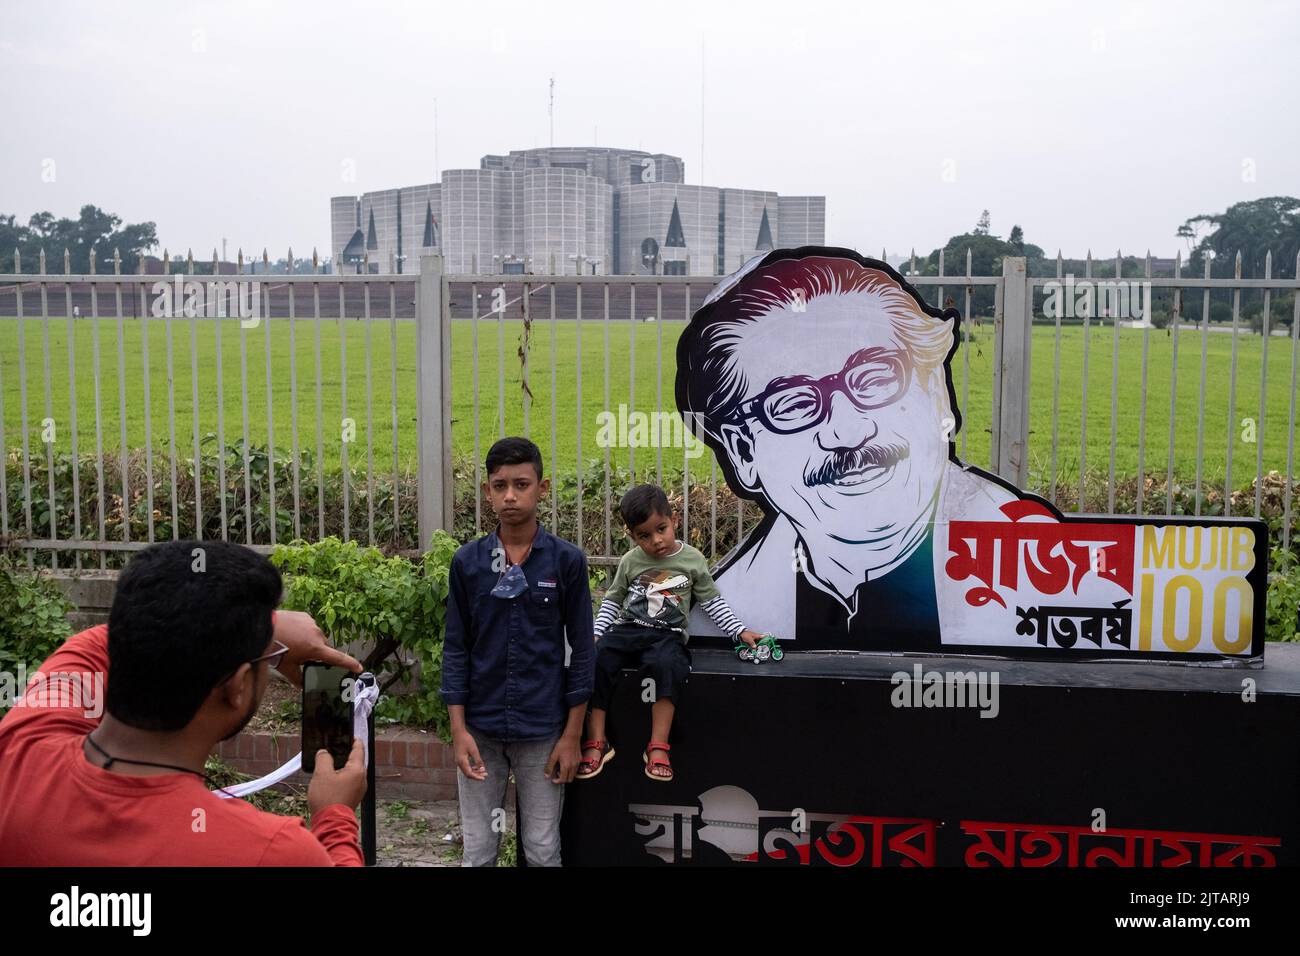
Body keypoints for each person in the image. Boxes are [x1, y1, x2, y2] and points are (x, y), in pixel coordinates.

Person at [675, 248, 1021, 650]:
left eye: (874, 378)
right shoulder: (733, 603)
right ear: (743, 452)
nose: (847, 431)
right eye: (794, 403)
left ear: (937, 393)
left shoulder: (1050, 577)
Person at [0, 540, 367, 866]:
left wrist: (262, 627)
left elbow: (96, 643)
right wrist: (334, 815)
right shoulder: (271, 852)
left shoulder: (21, 749)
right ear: (238, 687)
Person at [440, 436, 595, 866]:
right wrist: (458, 731)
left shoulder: (566, 562)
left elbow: (583, 651)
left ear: (542, 489)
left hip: (543, 731)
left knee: (543, 849)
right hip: (480, 730)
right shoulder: (468, 563)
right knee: (478, 851)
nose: (511, 495)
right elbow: (455, 648)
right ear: (488, 492)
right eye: (500, 485)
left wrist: (571, 735)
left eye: (522, 484)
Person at [577, 483, 762, 783]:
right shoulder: (630, 561)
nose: (656, 541)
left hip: (667, 634)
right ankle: (597, 740)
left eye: (661, 529)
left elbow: (711, 602)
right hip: (627, 630)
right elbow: (613, 599)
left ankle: (658, 745)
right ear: (632, 535)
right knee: (596, 660)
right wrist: (597, 634)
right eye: (644, 536)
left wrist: (738, 632)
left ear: (674, 520)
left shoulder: (692, 560)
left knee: (668, 665)